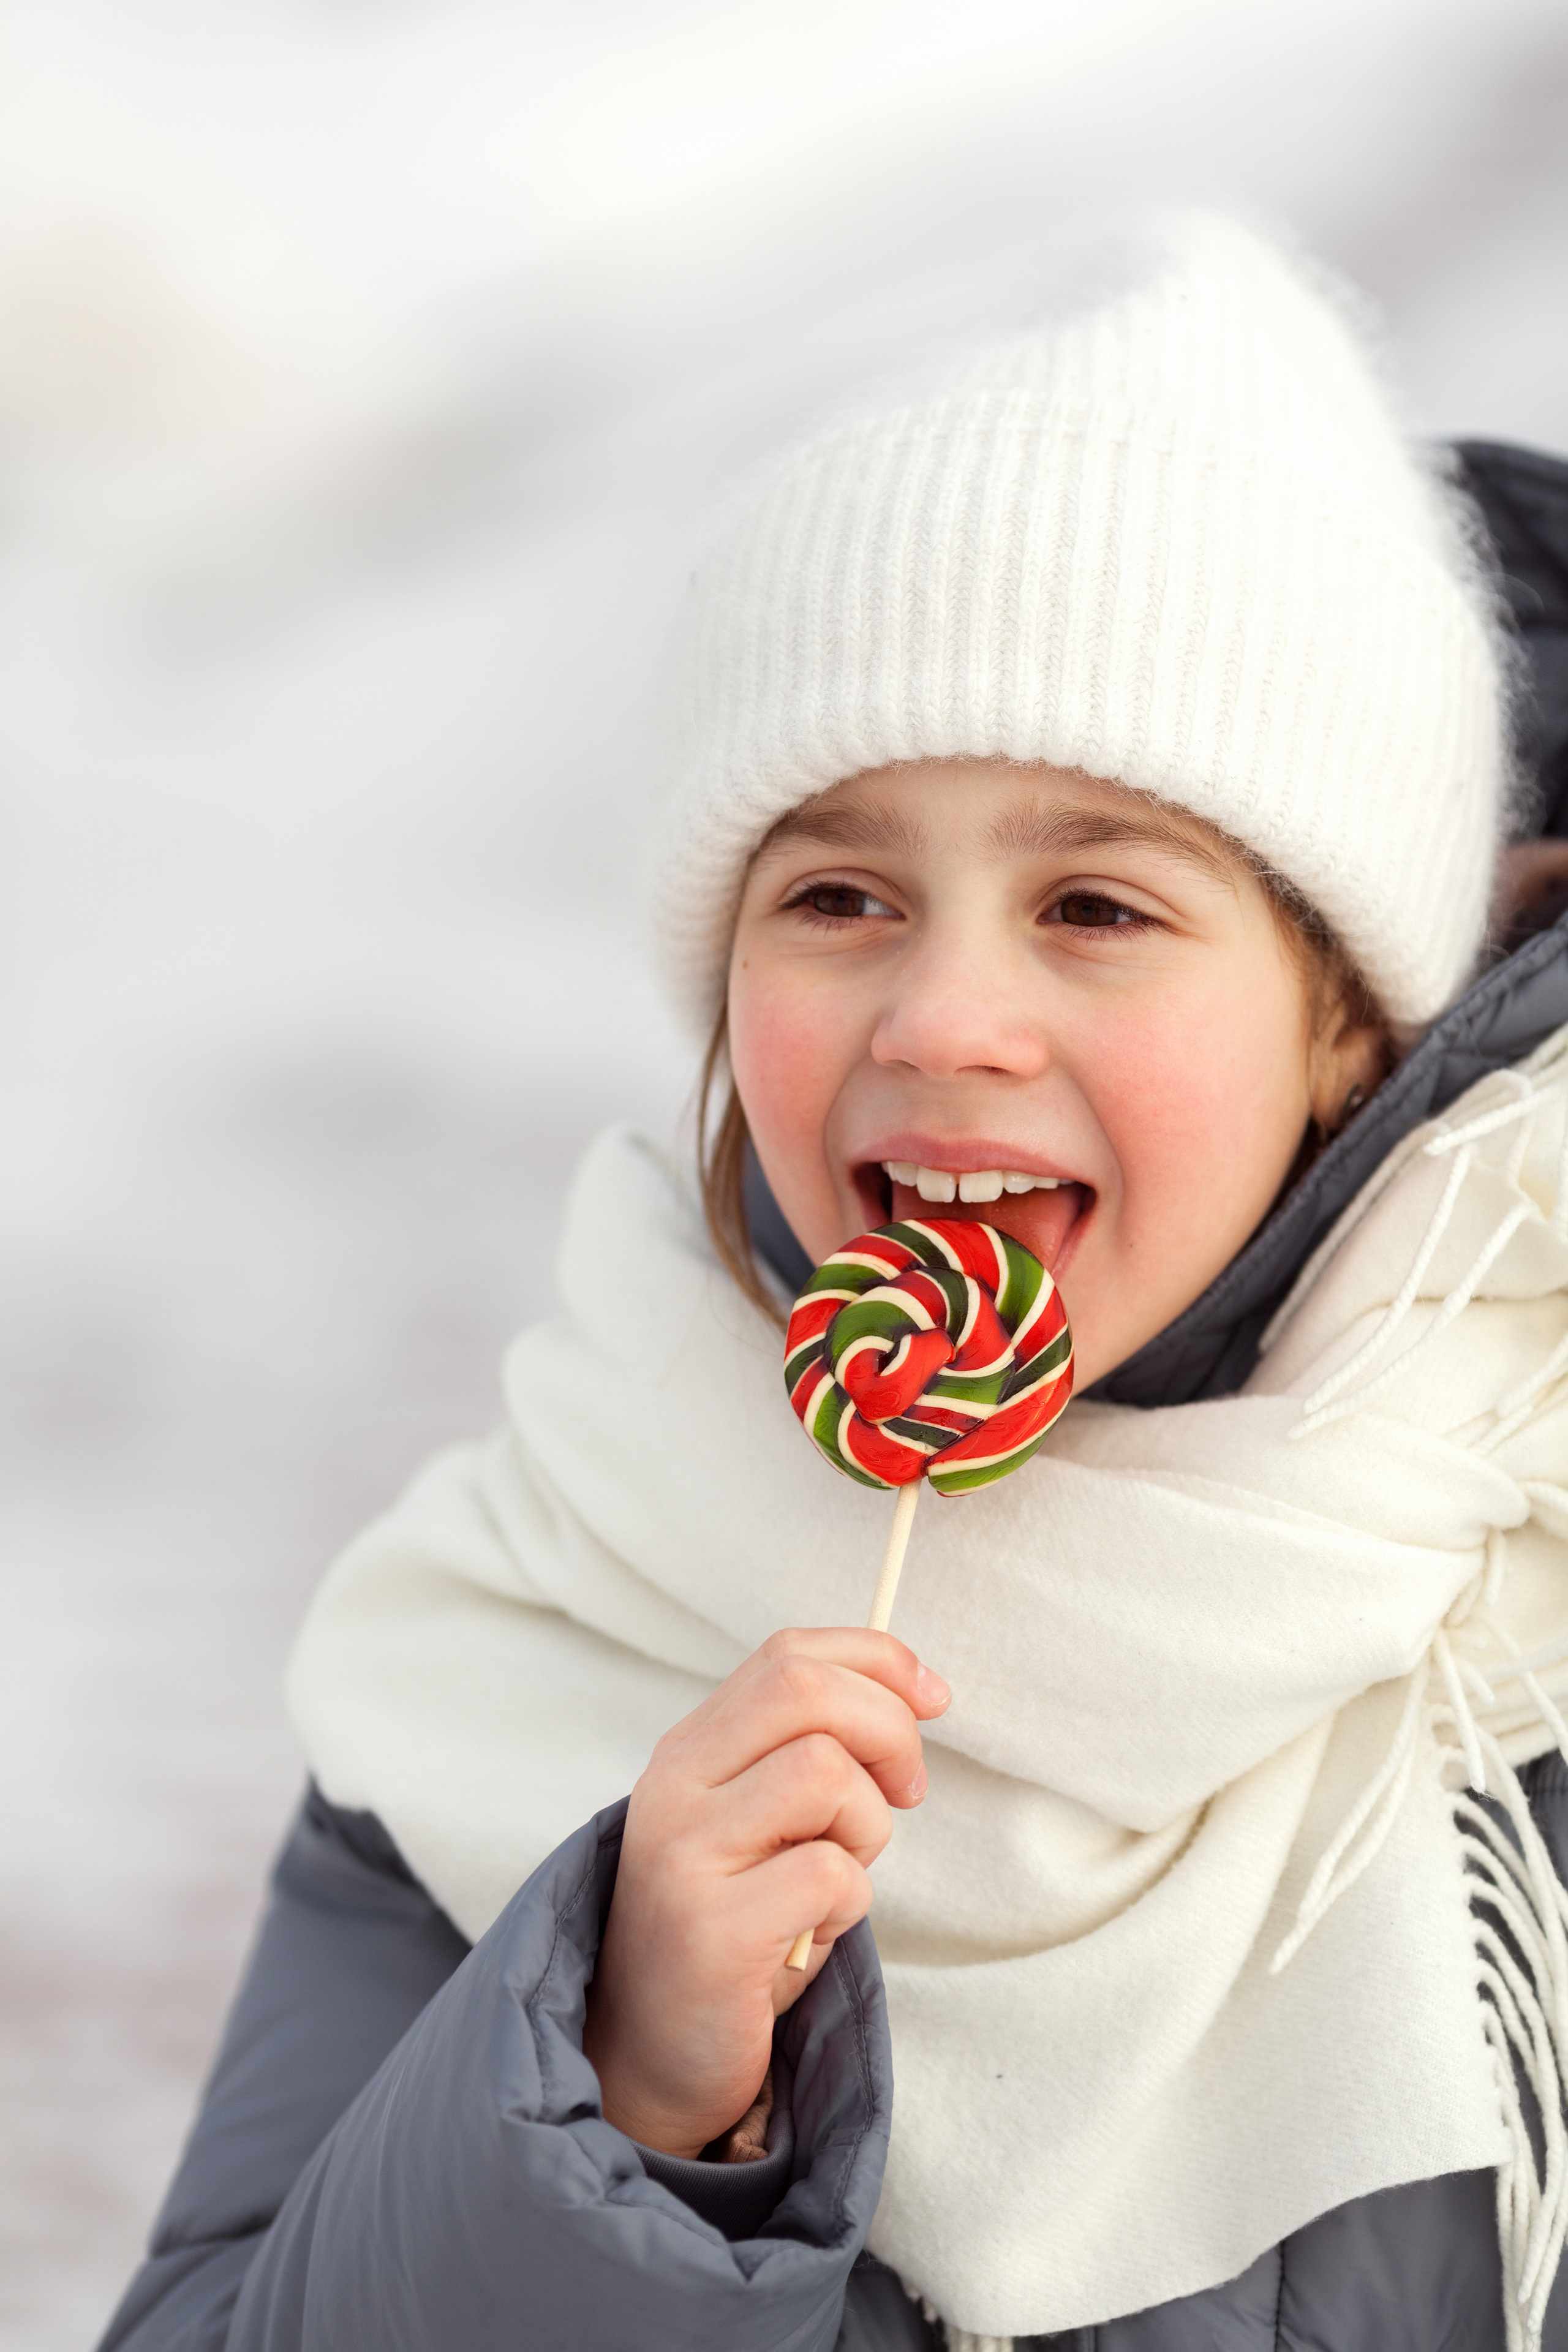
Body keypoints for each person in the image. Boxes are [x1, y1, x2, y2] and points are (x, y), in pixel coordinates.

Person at [99, 213, 1568, 2352]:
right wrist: (623, 2101)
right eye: (843, 892)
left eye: (1095, 904)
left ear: (1352, 1017)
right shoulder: (529, 1621)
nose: (946, 1017)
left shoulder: (1521, 1640)